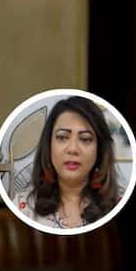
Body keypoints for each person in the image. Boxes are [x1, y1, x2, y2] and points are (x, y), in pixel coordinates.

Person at [14, 96, 121, 229]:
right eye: (62, 137)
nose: (73, 149)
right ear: (49, 146)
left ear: (100, 150)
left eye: (85, 139)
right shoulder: (22, 206)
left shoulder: (119, 205)